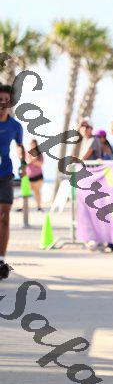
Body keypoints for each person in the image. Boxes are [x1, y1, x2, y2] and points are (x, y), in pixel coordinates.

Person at [0, 84, 26, 279]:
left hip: (5, 175)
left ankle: (1, 259)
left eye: (6, 101)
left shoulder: (15, 126)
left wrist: (22, 162)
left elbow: (19, 146)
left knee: (4, 217)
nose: (3, 104)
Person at [26, 139, 44, 210]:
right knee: (26, 193)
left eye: (33, 143)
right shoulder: (27, 153)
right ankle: (24, 207)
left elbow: (40, 164)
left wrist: (32, 161)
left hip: (38, 176)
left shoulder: (39, 153)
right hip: (29, 177)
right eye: (30, 143)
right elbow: (26, 162)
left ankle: (39, 207)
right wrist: (33, 160)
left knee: (37, 192)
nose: (32, 145)